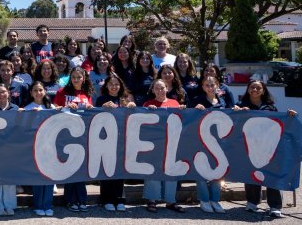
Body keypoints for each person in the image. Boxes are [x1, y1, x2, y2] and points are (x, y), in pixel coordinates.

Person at [235, 79, 297, 218]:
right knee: (251, 174)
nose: (255, 90)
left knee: (271, 175)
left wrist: (289, 116)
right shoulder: (240, 105)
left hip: (269, 147)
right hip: (249, 146)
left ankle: (275, 206)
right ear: (248, 89)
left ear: (263, 91)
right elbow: (235, 123)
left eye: (258, 88)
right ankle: (252, 202)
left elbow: (279, 124)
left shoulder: (270, 107)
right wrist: (238, 113)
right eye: (252, 87)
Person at [53, 67, 93, 212]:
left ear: (84, 78)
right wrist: (65, 106)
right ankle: (70, 200)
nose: (76, 79)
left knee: (81, 169)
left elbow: (90, 112)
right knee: (70, 169)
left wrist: (90, 107)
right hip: (66, 134)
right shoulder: (62, 92)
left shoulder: (87, 93)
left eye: (79, 77)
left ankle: (82, 199)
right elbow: (54, 108)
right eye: (74, 77)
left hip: (82, 135)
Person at [142, 79, 184, 213]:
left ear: (167, 88)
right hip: (153, 142)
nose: (160, 91)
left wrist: (183, 111)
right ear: (153, 90)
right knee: (153, 169)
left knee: (171, 171)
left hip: (172, 142)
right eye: (157, 88)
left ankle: (170, 201)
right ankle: (152, 200)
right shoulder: (148, 104)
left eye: (162, 88)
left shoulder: (175, 103)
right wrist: (147, 111)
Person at [95, 74, 135, 212]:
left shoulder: (125, 99)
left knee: (119, 170)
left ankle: (119, 199)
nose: (114, 86)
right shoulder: (101, 99)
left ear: (120, 86)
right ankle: (106, 199)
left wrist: (133, 107)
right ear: (106, 86)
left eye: (116, 84)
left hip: (122, 139)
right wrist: (102, 108)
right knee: (106, 169)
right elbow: (95, 118)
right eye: (111, 84)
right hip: (105, 139)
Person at [191, 75, 229, 214]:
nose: (210, 87)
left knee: (218, 172)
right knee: (201, 171)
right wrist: (195, 110)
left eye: (212, 85)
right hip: (200, 141)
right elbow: (189, 119)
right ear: (203, 87)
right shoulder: (197, 101)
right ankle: (204, 200)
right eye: (207, 85)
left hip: (219, 143)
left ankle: (215, 200)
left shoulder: (223, 101)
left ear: (217, 86)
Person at [21, 82, 56, 216]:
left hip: (50, 146)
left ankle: (47, 204)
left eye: (40, 90)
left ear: (45, 92)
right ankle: (38, 204)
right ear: (31, 93)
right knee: (37, 177)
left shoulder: (51, 107)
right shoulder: (27, 108)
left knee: (49, 176)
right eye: (35, 90)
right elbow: (24, 127)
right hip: (35, 147)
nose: (38, 93)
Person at [0, 83, 19, 216]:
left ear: (9, 93)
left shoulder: (16, 108)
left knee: (10, 178)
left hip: (11, 148)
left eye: (4, 92)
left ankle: (10, 205)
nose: (2, 94)